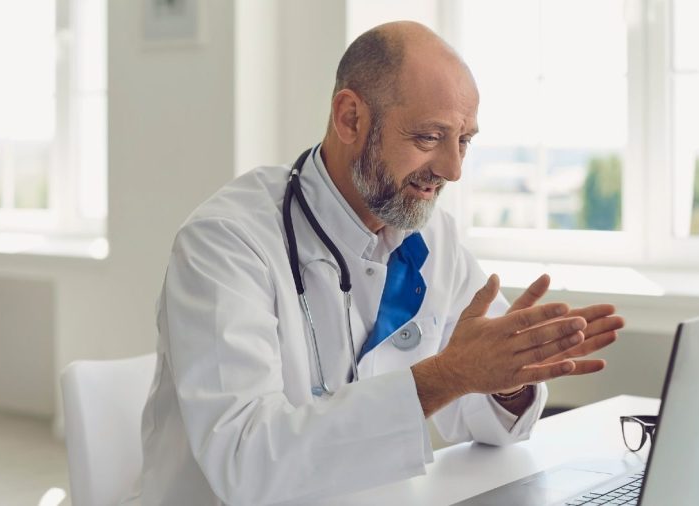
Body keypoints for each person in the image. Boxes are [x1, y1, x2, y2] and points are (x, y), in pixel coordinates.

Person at [136, 20, 624, 505]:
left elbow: (483, 423)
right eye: (430, 138)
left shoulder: (433, 236)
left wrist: (508, 382)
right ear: (350, 119)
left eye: (464, 141)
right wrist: (449, 375)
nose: (453, 169)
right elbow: (246, 463)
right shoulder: (226, 242)